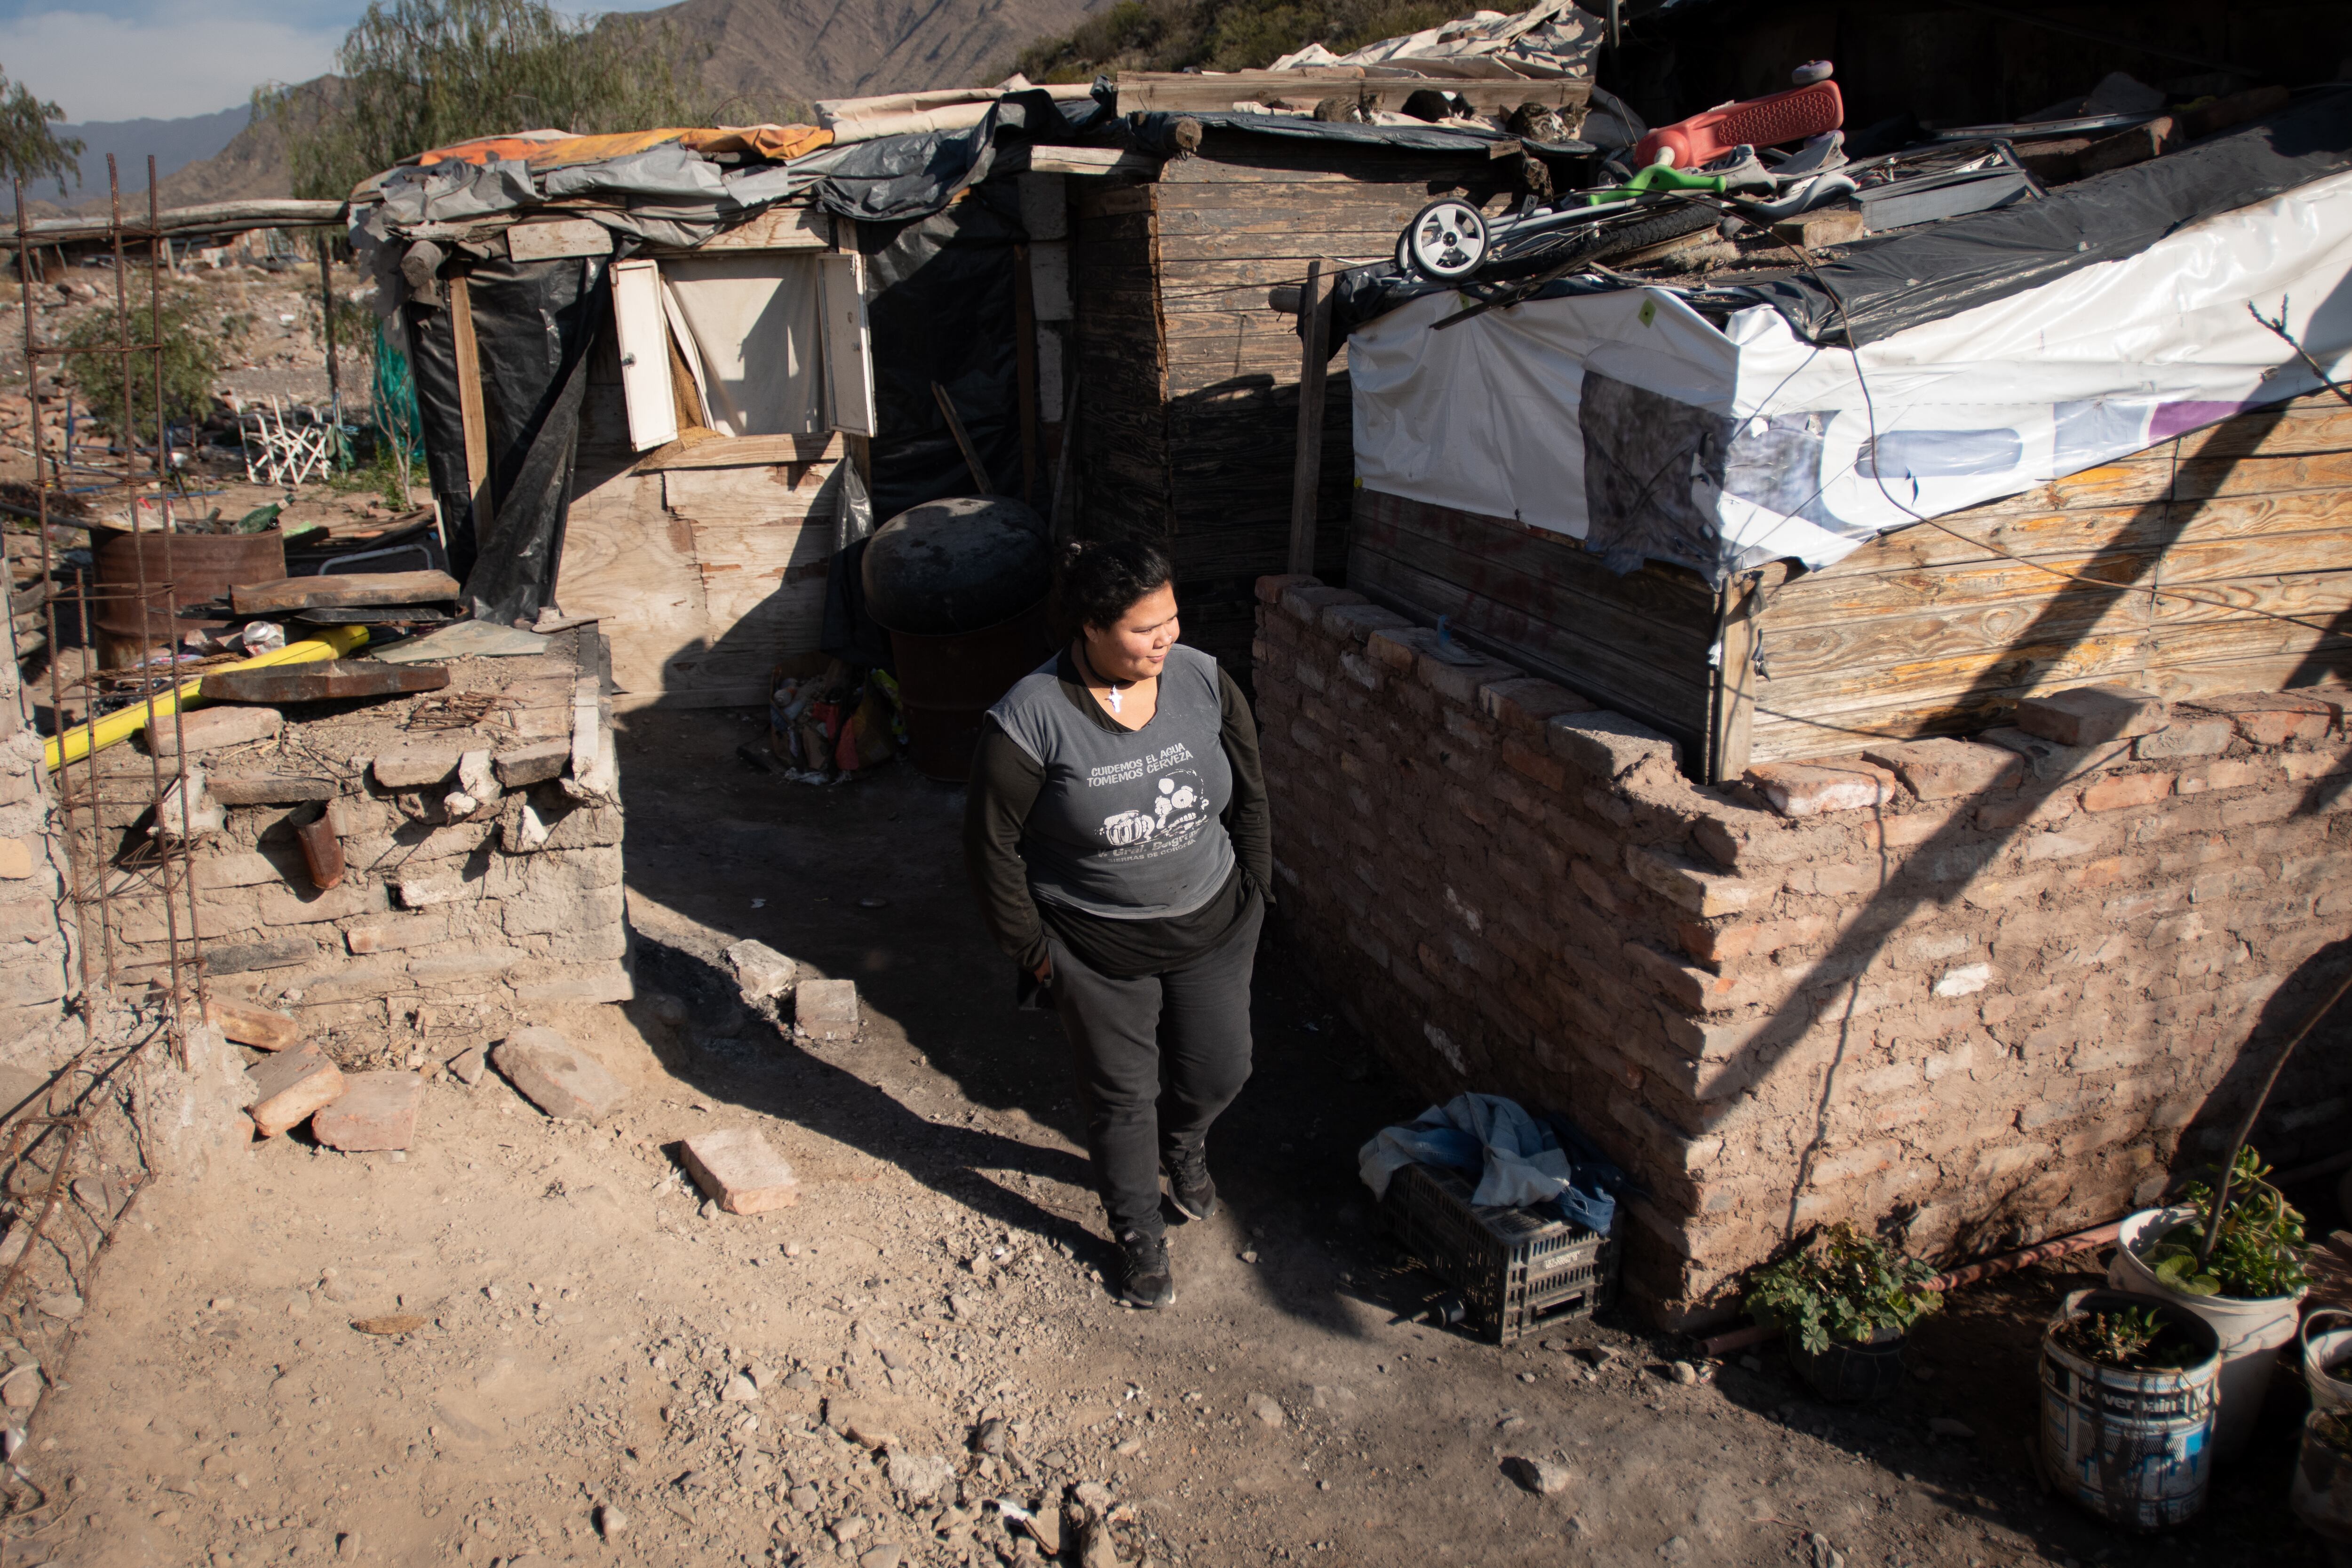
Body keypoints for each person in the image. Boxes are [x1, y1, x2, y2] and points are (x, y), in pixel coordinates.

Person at [964, 539, 1272, 1308]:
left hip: (1213, 921)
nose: (1167, 638)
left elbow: (1253, 789)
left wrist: (1258, 887)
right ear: (1091, 627)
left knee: (1221, 1067)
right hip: (1096, 947)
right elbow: (990, 844)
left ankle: (1187, 1144)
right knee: (1121, 1097)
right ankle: (1137, 1231)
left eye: (1171, 617)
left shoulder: (1202, 679)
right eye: (1144, 628)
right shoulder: (1029, 717)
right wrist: (1035, 952)